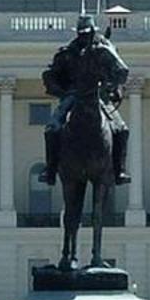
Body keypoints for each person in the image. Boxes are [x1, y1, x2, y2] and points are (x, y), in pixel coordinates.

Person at [39, 14, 130, 184]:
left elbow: (117, 73)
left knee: (122, 129)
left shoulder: (102, 51)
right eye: (82, 34)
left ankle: (119, 170)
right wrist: (60, 91)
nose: (85, 37)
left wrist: (114, 89)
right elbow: (50, 76)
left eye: (87, 34)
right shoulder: (67, 54)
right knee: (51, 128)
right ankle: (50, 169)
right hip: (73, 96)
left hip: (100, 96)